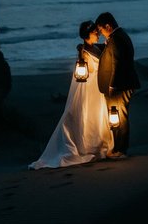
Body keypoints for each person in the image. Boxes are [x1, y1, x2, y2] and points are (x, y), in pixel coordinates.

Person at [29, 20, 113, 169]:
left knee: (96, 117)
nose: (98, 34)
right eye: (95, 32)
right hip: (90, 89)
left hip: (97, 89)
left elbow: (101, 50)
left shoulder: (92, 48)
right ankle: (87, 147)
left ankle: (97, 145)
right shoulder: (84, 53)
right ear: (88, 34)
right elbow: (86, 71)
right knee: (87, 116)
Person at [95, 11, 140, 158]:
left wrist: (112, 86)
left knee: (120, 117)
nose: (101, 33)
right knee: (120, 116)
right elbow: (113, 55)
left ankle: (120, 150)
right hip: (125, 83)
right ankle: (119, 149)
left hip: (121, 85)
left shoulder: (116, 39)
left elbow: (117, 63)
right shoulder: (119, 36)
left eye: (101, 30)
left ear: (108, 26)